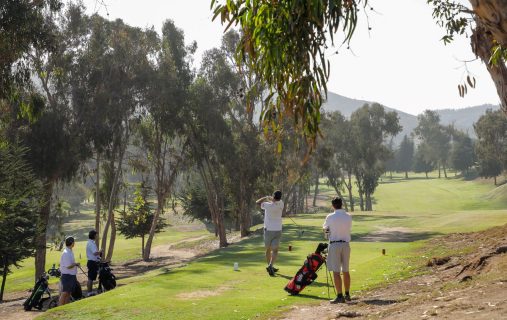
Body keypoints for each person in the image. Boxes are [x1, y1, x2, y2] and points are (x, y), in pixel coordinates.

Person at [323, 197, 352, 303]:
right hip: (346, 245)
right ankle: (347, 294)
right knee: (346, 270)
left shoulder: (330, 216)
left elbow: (326, 230)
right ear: (341, 204)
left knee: (336, 271)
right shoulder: (348, 216)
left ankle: (340, 296)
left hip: (335, 245)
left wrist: (327, 236)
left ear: (333, 205)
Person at [256, 190, 284, 276]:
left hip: (268, 230)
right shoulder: (281, 204)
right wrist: (272, 199)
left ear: (273, 196)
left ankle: (270, 266)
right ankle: (270, 266)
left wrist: (265, 197)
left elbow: (257, 202)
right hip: (278, 229)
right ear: (280, 197)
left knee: (268, 249)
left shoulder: (267, 205)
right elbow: (275, 201)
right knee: (275, 250)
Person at [58, 236, 80, 306]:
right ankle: (60, 308)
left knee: (69, 292)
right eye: (74, 242)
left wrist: (75, 264)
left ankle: (66, 307)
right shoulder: (66, 253)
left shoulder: (69, 251)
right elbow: (68, 266)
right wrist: (75, 264)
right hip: (67, 276)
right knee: (65, 293)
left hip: (71, 275)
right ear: (71, 243)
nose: (74, 243)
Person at [86, 230, 101, 296]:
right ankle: (89, 292)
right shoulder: (91, 243)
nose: (97, 236)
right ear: (94, 235)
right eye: (96, 235)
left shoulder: (91, 242)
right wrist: (100, 251)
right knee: (91, 278)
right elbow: (95, 253)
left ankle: (90, 291)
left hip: (93, 262)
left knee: (91, 278)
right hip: (92, 262)